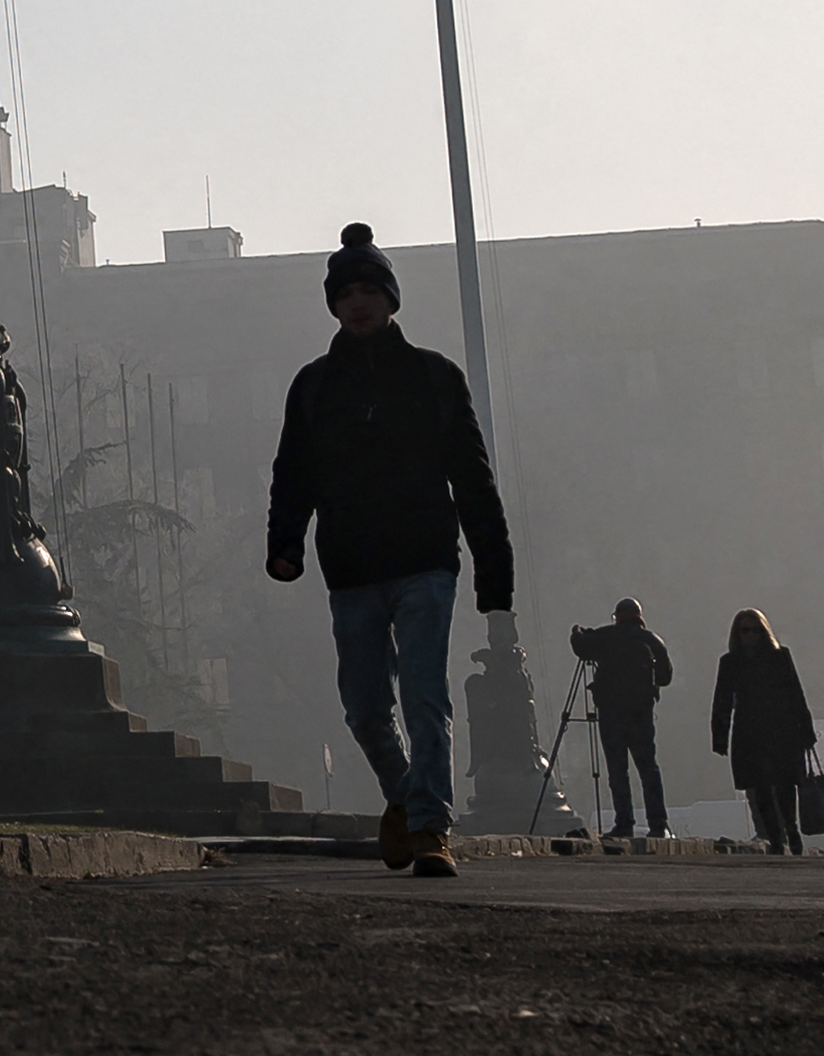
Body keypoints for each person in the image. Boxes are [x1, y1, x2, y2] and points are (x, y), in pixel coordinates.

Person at [264, 222, 515, 877]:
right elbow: (294, 472)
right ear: (334, 305)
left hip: (426, 561)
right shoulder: (315, 386)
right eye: (345, 292)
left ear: (391, 298)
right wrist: (285, 543)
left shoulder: (433, 377)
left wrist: (495, 572)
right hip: (350, 567)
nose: (357, 301)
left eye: (369, 288)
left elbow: (472, 473)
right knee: (366, 708)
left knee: (425, 697)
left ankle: (430, 828)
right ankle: (407, 800)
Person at [569, 598, 676, 839]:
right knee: (648, 768)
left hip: (611, 712)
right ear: (639, 616)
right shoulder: (652, 640)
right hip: (641, 713)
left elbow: (581, 649)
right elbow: (665, 677)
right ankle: (659, 825)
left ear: (616, 616)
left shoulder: (605, 636)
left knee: (618, 769)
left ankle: (624, 823)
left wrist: (576, 631)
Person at [713, 608, 818, 854]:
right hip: (749, 732)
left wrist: (806, 730)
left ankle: (791, 832)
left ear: (764, 632)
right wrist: (719, 736)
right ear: (736, 635)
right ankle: (774, 838)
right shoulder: (730, 663)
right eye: (745, 631)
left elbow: (796, 694)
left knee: (784, 785)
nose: (750, 636)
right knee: (759, 787)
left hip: (782, 730)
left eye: (755, 630)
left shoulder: (780, 657)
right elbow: (722, 701)